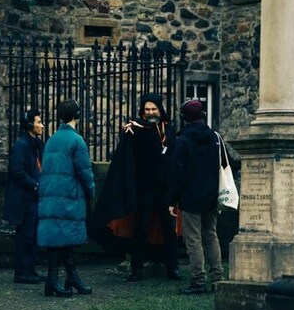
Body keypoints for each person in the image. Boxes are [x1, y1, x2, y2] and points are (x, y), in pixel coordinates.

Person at [92, 94, 181, 281]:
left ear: (160, 109)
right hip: (144, 188)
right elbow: (127, 156)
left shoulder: (169, 130)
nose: (150, 113)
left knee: (168, 229)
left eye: (153, 109)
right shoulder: (136, 130)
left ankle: (172, 268)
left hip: (165, 189)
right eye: (147, 110)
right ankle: (137, 269)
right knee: (141, 228)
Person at [37, 99, 96, 297]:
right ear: (77, 115)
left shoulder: (52, 139)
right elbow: (85, 171)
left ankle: (65, 278)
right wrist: (91, 191)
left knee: (61, 239)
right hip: (69, 196)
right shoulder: (76, 141)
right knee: (64, 239)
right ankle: (56, 280)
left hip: (51, 195)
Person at [167, 99, 225, 295]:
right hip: (211, 194)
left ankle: (198, 280)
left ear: (184, 118)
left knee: (193, 239)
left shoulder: (182, 140)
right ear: (202, 116)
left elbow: (176, 174)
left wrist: (172, 200)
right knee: (211, 236)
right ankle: (217, 278)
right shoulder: (215, 137)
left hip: (190, 196)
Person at [3, 109, 45, 284]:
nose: (41, 125)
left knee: (33, 235)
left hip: (34, 197)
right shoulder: (21, 145)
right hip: (25, 197)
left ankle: (30, 269)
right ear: (30, 125)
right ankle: (22, 272)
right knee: (25, 235)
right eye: (38, 122)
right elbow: (17, 171)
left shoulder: (36, 144)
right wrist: (35, 185)